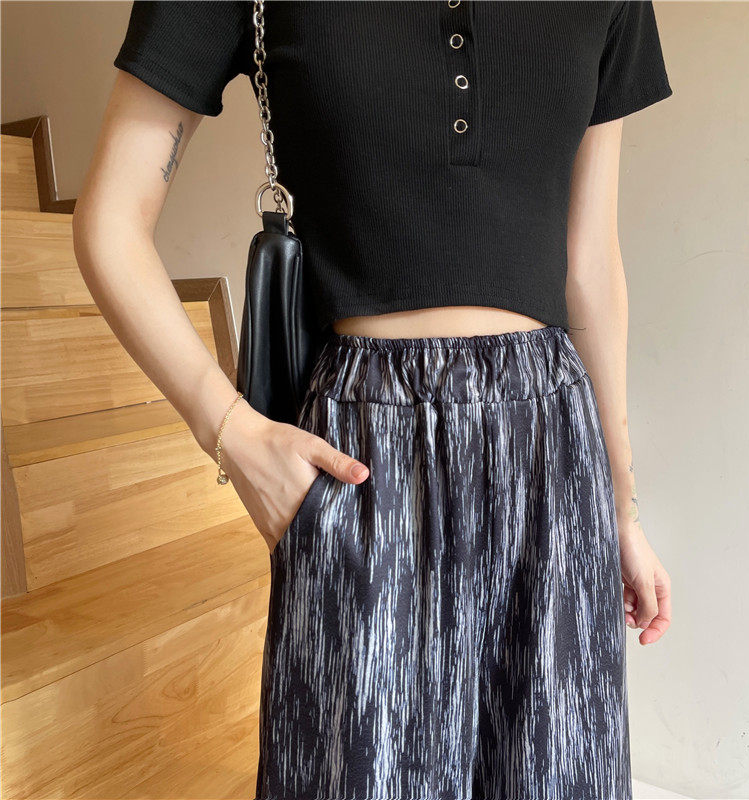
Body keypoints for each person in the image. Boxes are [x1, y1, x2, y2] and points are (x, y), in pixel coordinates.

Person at [73, 2, 674, 797]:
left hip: (549, 452)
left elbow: (590, 260)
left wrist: (621, 508)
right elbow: (111, 220)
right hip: (363, 457)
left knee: (558, 774)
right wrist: (231, 431)